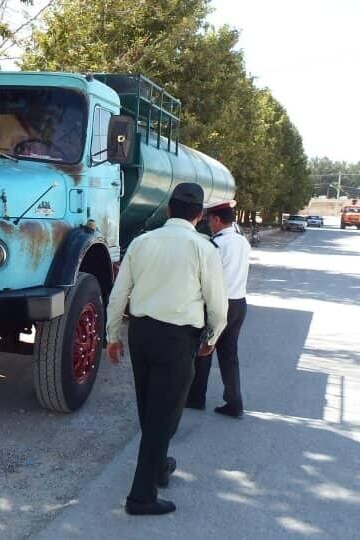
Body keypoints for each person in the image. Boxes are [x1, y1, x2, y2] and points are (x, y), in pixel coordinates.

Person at [106, 182, 228, 516]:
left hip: (141, 333)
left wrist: (112, 335)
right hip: (178, 338)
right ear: (200, 215)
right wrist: (212, 338)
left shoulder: (142, 242)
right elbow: (217, 303)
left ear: (168, 210)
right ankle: (140, 498)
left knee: (150, 409)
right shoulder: (204, 248)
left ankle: (159, 466)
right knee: (163, 414)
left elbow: (118, 294)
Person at [187, 201, 251, 418]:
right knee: (229, 354)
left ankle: (196, 398)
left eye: (209, 221)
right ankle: (235, 403)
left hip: (219, 303)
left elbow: (206, 278)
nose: (209, 225)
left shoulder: (216, 245)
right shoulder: (243, 242)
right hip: (239, 303)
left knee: (204, 349)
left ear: (216, 219)